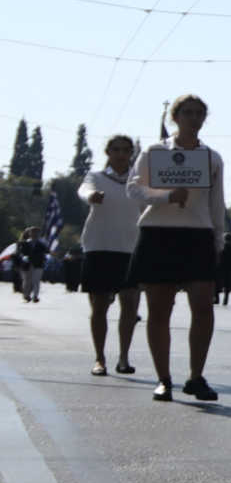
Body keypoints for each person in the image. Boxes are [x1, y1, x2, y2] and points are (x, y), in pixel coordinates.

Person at [131, 94, 226, 403]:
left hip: (197, 235)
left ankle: (196, 377)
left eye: (199, 113)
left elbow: (216, 203)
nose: (193, 118)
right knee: (159, 309)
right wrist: (166, 196)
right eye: (187, 112)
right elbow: (133, 188)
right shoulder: (154, 151)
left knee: (203, 307)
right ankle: (163, 379)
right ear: (175, 116)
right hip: (159, 234)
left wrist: (218, 240)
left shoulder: (211, 157)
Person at [77, 133, 146, 377]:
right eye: (116, 150)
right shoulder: (96, 177)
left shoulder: (138, 183)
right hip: (99, 247)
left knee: (130, 304)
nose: (121, 154)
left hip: (130, 249)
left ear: (131, 154)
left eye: (126, 150)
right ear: (108, 152)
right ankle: (99, 358)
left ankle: (124, 358)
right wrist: (91, 197)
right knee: (99, 307)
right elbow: (84, 190)